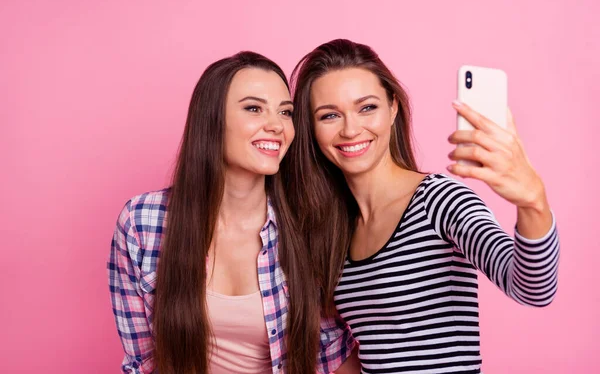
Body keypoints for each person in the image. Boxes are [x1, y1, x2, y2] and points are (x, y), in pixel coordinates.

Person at [283, 39, 559, 373]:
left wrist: (533, 202)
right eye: (329, 115)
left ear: (393, 106)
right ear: (311, 129)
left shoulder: (438, 201)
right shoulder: (335, 230)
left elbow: (533, 289)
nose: (351, 129)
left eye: (367, 107)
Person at [108, 51, 358, 374]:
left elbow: (333, 356)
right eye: (254, 108)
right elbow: (143, 362)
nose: (277, 126)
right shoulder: (142, 223)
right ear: (212, 119)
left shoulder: (306, 224)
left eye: (286, 112)